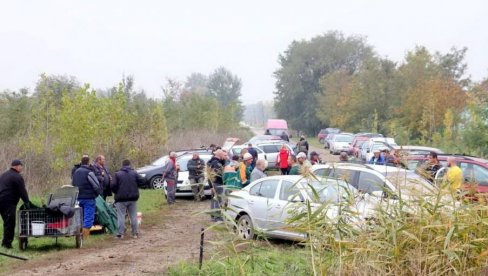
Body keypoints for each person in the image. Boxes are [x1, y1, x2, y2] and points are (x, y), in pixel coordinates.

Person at [0, 160, 30, 249]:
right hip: (8, 202)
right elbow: (22, 191)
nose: (22, 168)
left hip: (1, 201)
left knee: (6, 222)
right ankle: (6, 244)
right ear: (17, 166)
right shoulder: (17, 177)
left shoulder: (4, 175)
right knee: (10, 223)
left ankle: (5, 243)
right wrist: (27, 202)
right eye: (21, 166)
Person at [111, 159, 145, 239]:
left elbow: (112, 185)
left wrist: (116, 192)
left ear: (122, 165)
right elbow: (143, 180)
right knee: (133, 216)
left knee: (121, 216)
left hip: (121, 199)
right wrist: (137, 185)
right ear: (129, 165)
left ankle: (120, 234)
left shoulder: (117, 174)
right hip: (133, 198)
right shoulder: (134, 173)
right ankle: (135, 233)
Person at [72, 156, 102, 239]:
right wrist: (97, 194)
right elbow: (96, 185)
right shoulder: (89, 172)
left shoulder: (75, 172)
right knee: (88, 218)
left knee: (79, 217)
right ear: (88, 163)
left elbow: (73, 184)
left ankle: (78, 235)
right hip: (88, 198)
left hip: (78, 198)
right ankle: (85, 237)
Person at [207, 150, 226, 222]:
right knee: (218, 200)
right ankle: (217, 217)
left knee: (214, 200)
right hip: (217, 183)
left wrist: (210, 186)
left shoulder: (211, 161)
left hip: (213, 183)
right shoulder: (216, 163)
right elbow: (218, 174)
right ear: (220, 155)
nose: (224, 157)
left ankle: (213, 216)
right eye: (223, 155)